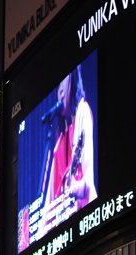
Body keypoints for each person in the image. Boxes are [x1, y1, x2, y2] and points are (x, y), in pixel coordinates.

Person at [40, 67, 96, 227]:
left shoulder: (83, 111)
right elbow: (48, 204)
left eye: (63, 83)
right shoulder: (58, 143)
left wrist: (76, 188)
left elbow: (88, 180)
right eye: (58, 87)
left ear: (73, 79)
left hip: (85, 219)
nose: (60, 91)